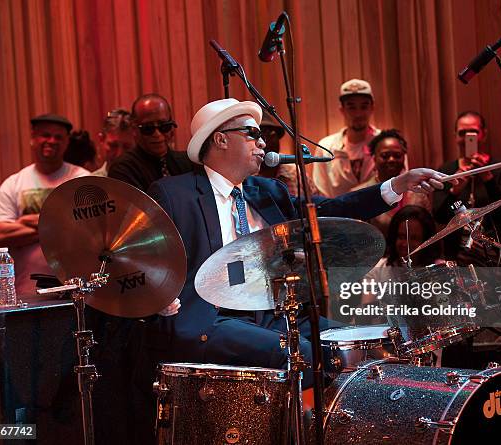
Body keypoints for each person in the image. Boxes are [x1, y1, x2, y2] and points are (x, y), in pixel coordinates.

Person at [147, 98, 448, 395]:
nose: (263, 142)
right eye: (252, 134)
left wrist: (396, 185)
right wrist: (158, 295)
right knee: (300, 353)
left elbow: (329, 210)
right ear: (221, 140)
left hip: (274, 313)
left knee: (359, 342)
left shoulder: (267, 192)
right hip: (214, 317)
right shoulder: (175, 194)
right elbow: (143, 256)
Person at [0, 113, 90, 296]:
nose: (51, 141)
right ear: (33, 138)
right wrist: (60, 224)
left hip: (76, 289)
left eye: (58, 137)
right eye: (45, 135)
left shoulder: (83, 180)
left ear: (67, 142)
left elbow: (89, 229)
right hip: (25, 291)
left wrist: (26, 221)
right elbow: (1, 233)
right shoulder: (14, 183)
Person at [432, 111, 501, 265]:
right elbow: (439, 216)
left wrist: (488, 178)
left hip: (497, 256)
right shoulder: (446, 171)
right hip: (458, 258)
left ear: (483, 134)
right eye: (462, 133)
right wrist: (454, 191)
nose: (466, 137)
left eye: (473, 132)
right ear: (456, 136)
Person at [108, 94, 193, 191]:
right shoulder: (123, 169)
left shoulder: (187, 162)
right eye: (148, 128)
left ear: (172, 128)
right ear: (134, 129)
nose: (157, 134)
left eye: (164, 126)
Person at [312, 79, 381, 197]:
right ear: (342, 110)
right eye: (351, 107)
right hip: (337, 214)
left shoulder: (386, 144)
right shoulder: (325, 148)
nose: (358, 114)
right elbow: (321, 193)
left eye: (364, 107)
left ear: (372, 108)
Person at [366, 129, 431, 237]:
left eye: (397, 155)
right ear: (374, 158)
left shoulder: (418, 193)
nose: (391, 160)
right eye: (385, 155)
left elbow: (428, 231)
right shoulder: (363, 193)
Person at [258, 112, 320, 195]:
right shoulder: (246, 176)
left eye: (272, 134)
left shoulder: (295, 172)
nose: (269, 142)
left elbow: (315, 202)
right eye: (262, 135)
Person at [92, 109, 135, 176]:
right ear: (101, 139)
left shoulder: (146, 182)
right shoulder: (90, 183)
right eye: (113, 146)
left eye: (127, 147)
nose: (119, 154)